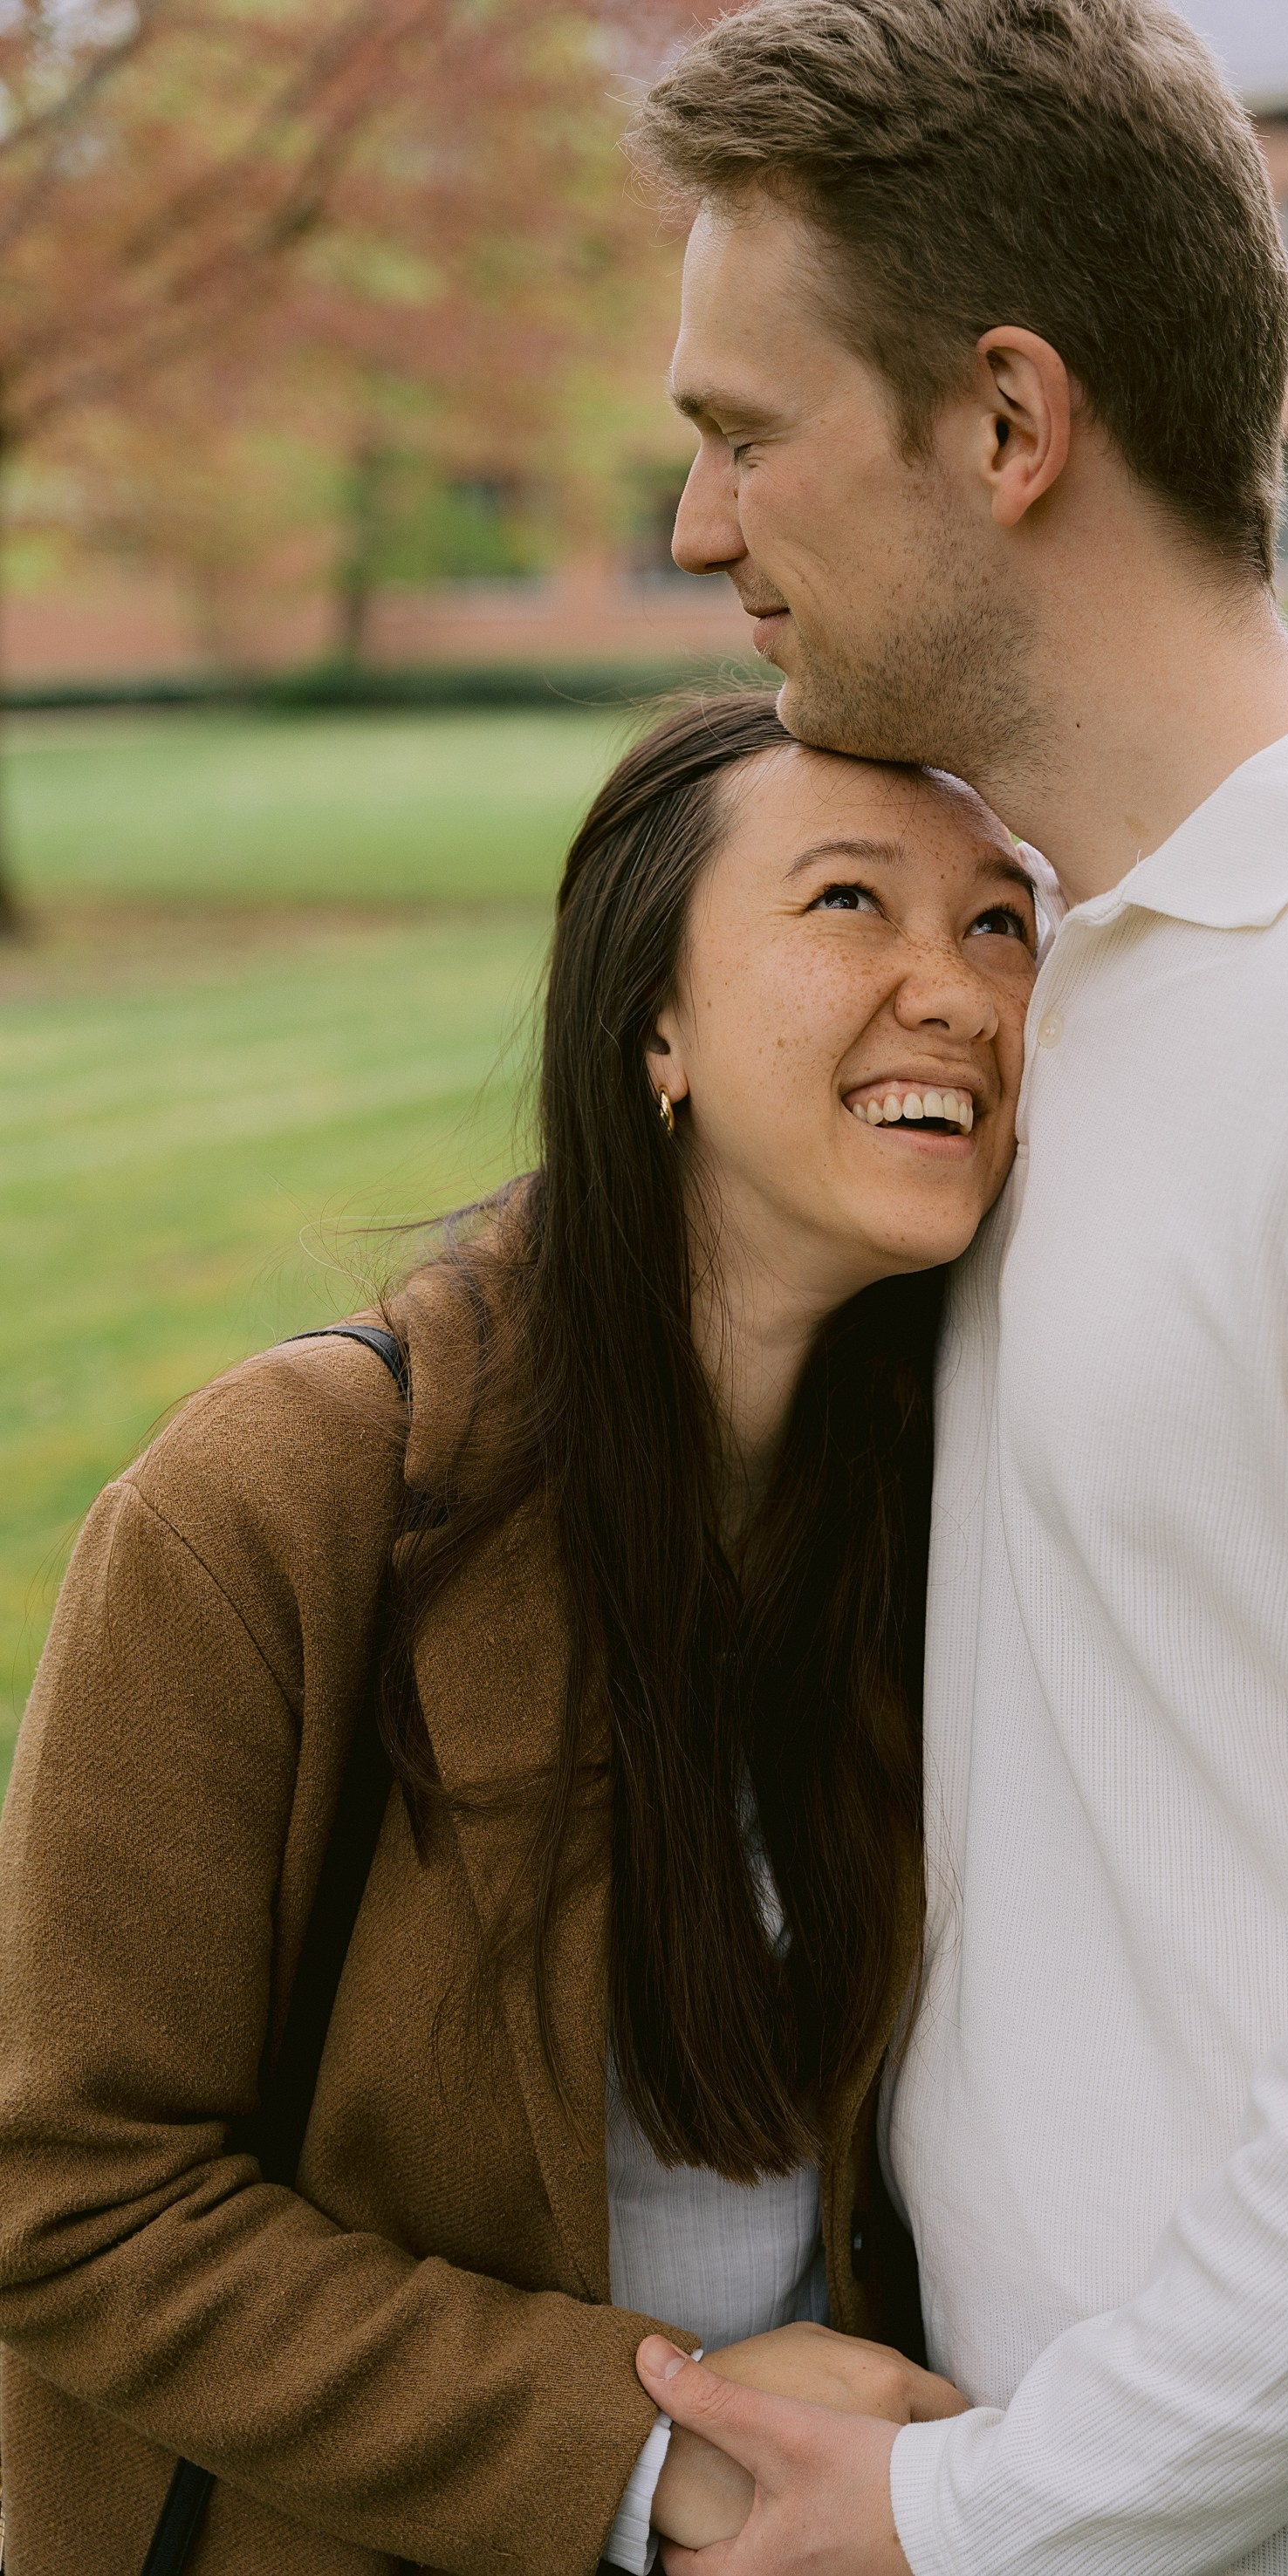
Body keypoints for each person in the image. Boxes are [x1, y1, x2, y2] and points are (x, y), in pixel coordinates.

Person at [620, 6, 1288, 2574]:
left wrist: (994, 2505)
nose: (695, 525)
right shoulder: (1055, 988)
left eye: (747, 433)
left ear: (1008, 424)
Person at [0, 693, 1047, 2573]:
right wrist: (654, 2456)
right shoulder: (281, 1501)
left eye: (999, 922)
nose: (958, 990)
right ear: (653, 1022)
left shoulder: (953, 1513)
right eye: (846, 904)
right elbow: (66, 2191)